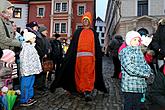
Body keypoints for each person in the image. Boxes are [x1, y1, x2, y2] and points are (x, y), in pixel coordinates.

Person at [50, 12, 107, 101]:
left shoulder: (93, 33)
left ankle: (87, 91)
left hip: (90, 59)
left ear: (89, 21)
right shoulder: (77, 32)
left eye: (86, 20)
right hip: (78, 59)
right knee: (79, 75)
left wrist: (96, 58)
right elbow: (73, 46)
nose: (85, 21)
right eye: (83, 19)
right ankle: (80, 89)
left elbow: (96, 47)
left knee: (88, 75)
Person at [118, 30, 153, 110]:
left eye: (138, 40)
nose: (137, 42)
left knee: (139, 106)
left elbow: (145, 64)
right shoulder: (126, 52)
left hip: (140, 86)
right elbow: (129, 68)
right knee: (129, 106)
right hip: (130, 87)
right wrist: (145, 73)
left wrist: (149, 71)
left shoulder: (139, 52)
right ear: (129, 41)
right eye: (134, 40)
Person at [19, 29, 42, 106]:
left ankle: (29, 97)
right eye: (33, 38)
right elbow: (24, 60)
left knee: (30, 84)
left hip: (32, 70)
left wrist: (37, 68)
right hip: (27, 71)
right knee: (26, 85)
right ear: (29, 38)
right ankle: (24, 100)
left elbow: (35, 59)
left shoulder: (31, 47)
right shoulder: (26, 48)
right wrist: (25, 70)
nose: (35, 39)